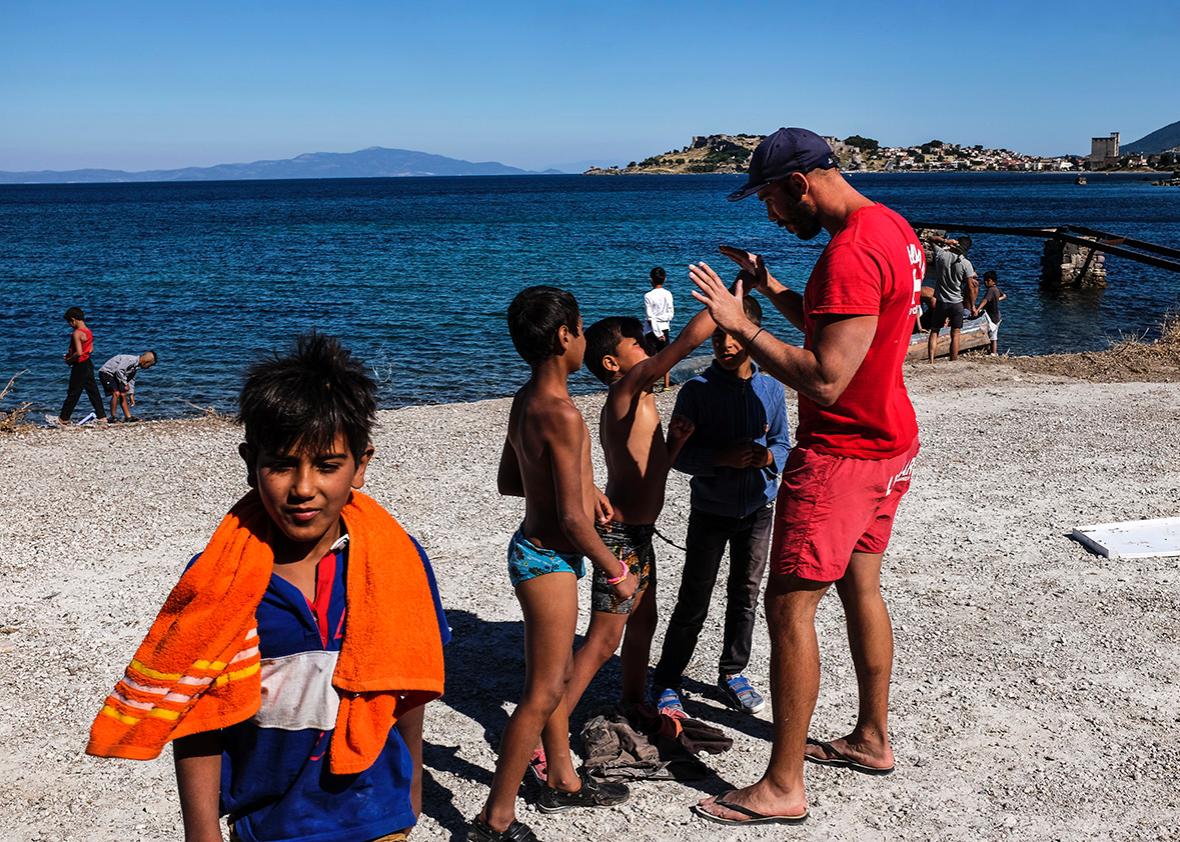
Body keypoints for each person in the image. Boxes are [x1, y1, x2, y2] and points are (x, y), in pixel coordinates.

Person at [85, 333, 448, 842]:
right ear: (250, 462)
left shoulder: (397, 565)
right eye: (281, 465)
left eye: (327, 465)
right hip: (269, 822)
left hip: (377, 815)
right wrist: (202, 830)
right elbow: (199, 714)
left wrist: (410, 791)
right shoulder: (220, 580)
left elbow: (405, 688)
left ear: (361, 465)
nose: (303, 488)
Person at [689, 127, 922, 827]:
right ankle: (873, 738)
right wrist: (772, 287)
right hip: (888, 444)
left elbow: (824, 378)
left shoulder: (850, 253)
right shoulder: (889, 227)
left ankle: (781, 785)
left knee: (790, 607)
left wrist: (742, 323)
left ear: (799, 184)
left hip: (842, 454)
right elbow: (839, 327)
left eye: (769, 198)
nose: (769, 215)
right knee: (861, 587)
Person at [469, 286, 634, 842]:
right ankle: (495, 820)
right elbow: (570, 522)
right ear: (565, 335)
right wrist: (616, 568)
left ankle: (562, 779)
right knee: (542, 691)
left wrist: (584, 489)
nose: (584, 338)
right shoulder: (564, 413)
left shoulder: (526, 399)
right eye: (581, 328)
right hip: (548, 560)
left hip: (536, 549)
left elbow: (510, 480)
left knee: (558, 674)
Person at [560, 303, 715, 723]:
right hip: (620, 536)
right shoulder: (625, 391)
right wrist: (725, 304)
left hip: (640, 534)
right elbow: (683, 345)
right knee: (604, 640)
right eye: (637, 343)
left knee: (645, 621)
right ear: (612, 362)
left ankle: (633, 702)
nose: (647, 346)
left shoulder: (640, 398)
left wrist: (677, 443)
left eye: (646, 341)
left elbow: (652, 470)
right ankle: (547, 728)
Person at [651, 295, 789, 720]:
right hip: (709, 511)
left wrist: (767, 459)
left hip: (759, 510)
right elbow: (677, 458)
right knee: (694, 597)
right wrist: (720, 460)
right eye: (718, 336)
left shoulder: (771, 388)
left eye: (734, 335)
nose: (725, 345)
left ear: (753, 337)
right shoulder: (696, 391)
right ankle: (668, 680)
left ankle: (732, 673)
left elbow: (784, 444)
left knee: (745, 595)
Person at [46, 306, 107, 427]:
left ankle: (63, 419)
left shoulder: (77, 333)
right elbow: (90, 349)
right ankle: (102, 417)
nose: (70, 324)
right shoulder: (88, 331)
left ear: (73, 320)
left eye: (69, 322)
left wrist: (69, 359)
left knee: (73, 392)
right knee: (93, 391)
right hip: (88, 363)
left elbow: (79, 352)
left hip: (79, 365)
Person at [925, 234, 977, 362]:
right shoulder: (966, 263)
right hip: (957, 303)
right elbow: (971, 287)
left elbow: (930, 239)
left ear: (956, 243)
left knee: (935, 331)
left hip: (941, 301)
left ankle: (931, 360)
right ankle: (953, 361)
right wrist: (973, 305)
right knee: (955, 334)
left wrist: (946, 241)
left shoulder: (941, 255)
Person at [98, 350, 158, 422]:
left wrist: (131, 394)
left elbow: (131, 379)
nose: (148, 368)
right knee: (116, 393)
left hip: (117, 375)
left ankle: (128, 417)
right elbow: (119, 370)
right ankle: (113, 417)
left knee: (123, 394)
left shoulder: (136, 366)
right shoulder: (131, 360)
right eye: (149, 365)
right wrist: (125, 383)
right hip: (106, 373)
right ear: (145, 362)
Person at [643, 267, 675, 390]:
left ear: (651, 279)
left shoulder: (648, 296)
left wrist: (657, 332)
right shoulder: (668, 294)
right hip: (665, 327)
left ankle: (651, 383)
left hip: (651, 330)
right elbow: (670, 314)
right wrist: (661, 321)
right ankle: (666, 385)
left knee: (651, 357)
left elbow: (650, 317)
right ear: (664, 279)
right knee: (665, 357)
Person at [972, 270, 1007, 355]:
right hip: (997, 315)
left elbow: (985, 300)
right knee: (993, 336)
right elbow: (1005, 296)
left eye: (987, 281)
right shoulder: (997, 289)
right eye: (985, 280)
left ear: (992, 281)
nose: (985, 282)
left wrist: (977, 309)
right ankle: (992, 352)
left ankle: (992, 352)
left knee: (991, 335)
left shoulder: (991, 290)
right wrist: (996, 300)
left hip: (992, 317)